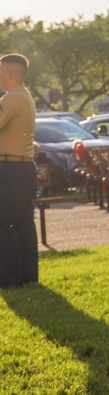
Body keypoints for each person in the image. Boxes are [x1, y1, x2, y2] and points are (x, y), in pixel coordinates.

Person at [0, 54, 39, 288]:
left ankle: (9, 280)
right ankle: (29, 276)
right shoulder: (25, 96)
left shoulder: (11, 98)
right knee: (24, 224)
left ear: (11, 74)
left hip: (10, 169)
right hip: (23, 167)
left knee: (3, 223)